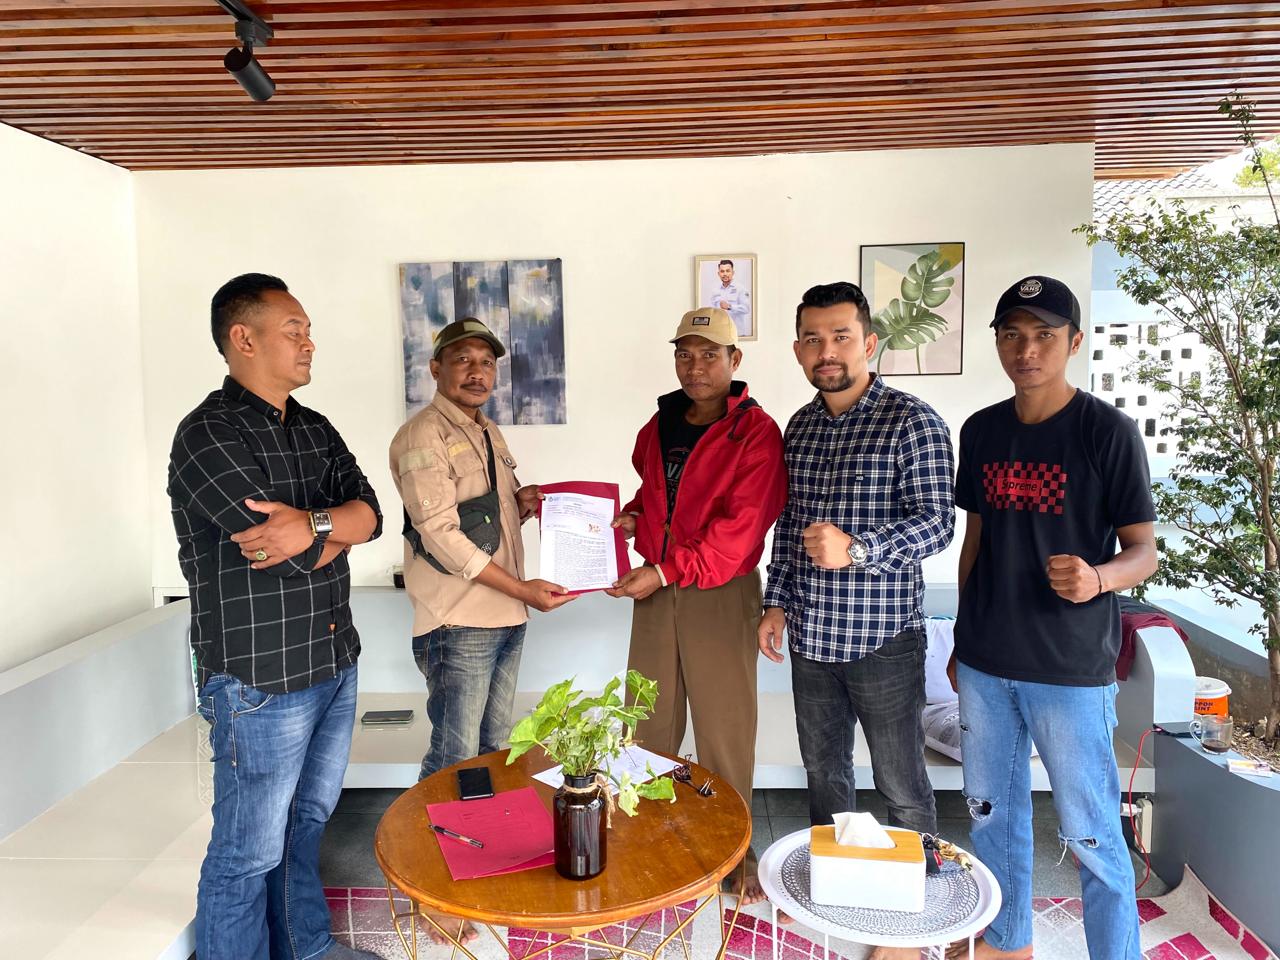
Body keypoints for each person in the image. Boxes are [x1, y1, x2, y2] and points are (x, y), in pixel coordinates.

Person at [168, 273, 383, 960]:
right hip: (260, 681)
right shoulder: (207, 435)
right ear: (244, 338)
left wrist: (314, 524)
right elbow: (279, 555)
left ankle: (306, 948)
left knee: (305, 827)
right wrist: (330, 531)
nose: (309, 342)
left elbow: (373, 515)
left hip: (333, 661)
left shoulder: (315, 428)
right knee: (247, 853)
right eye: (295, 331)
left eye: (308, 331)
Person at [947, 276, 1157, 960]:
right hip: (986, 662)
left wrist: (1099, 577)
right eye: (1012, 335)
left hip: (1069, 668)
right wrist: (961, 638)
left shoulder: (1107, 432)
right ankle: (1007, 943)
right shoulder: (981, 430)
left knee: (1092, 832)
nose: (1026, 350)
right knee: (990, 819)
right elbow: (976, 541)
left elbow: (1144, 552)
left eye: (1043, 335)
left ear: (1074, 341)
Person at [759, 282, 954, 959]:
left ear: (869, 343)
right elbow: (789, 527)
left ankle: (918, 911)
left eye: (841, 336)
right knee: (825, 775)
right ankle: (836, 888)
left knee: (902, 783)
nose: (827, 351)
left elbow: (938, 524)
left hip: (884, 640)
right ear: (798, 350)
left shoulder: (912, 421)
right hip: (812, 638)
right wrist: (776, 601)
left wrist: (859, 549)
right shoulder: (800, 427)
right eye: (813, 339)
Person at [607, 306, 786, 904]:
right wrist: (633, 517)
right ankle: (644, 832)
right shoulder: (657, 426)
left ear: (735, 360)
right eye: (685, 354)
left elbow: (740, 529)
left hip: (720, 589)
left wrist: (664, 568)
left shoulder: (755, 432)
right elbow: (656, 495)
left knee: (723, 725)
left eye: (710, 354)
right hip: (657, 590)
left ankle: (734, 847)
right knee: (646, 716)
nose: (695, 366)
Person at [389, 316, 575, 777]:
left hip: (507, 615)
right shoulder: (424, 434)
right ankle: (433, 828)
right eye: (463, 360)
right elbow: (440, 534)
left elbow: (484, 518)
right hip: (460, 622)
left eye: (487, 363)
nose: (477, 373)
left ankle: (484, 824)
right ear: (436, 368)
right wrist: (521, 589)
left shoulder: (487, 430)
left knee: (492, 748)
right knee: (455, 756)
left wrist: (521, 504)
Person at [702, 258, 752, 337]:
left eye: (728, 271)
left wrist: (729, 307)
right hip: (720, 334)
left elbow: (746, 309)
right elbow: (711, 311)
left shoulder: (740, 289)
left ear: (733, 272)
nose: (725, 274)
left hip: (737, 334)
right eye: (722, 271)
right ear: (718, 274)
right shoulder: (715, 290)